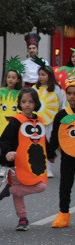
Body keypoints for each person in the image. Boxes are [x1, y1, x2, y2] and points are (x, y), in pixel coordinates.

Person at [0, 88, 47, 231]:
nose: (27, 105)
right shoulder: (16, 121)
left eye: (30, 101)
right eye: (24, 101)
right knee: (21, 192)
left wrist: (51, 152)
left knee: (41, 186)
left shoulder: (39, 120)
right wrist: (8, 153)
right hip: (17, 162)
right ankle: (22, 219)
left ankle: (10, 189)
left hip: (34, 162)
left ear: (36, 103)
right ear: (19, 103)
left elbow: (41, 140)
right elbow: (5, 140)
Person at [44, 78, 75, 228]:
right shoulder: (62, 115)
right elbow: (55, 135)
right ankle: (63, 213)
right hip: (68, 155)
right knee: (65, 185)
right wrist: (51, 152)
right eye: (69, 93)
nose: (72, 97)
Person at [34, 65, 65, 177]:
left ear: (50, 75)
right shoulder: (35, 89)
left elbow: (62, 105)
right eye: (39, 75)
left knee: (49, 144)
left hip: (51, 121)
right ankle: (37, 167)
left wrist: (60, 119)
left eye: (43, 75)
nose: (41, 77)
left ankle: (48, 168)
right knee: (37, 143)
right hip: (37, 121)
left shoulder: (57, 89)